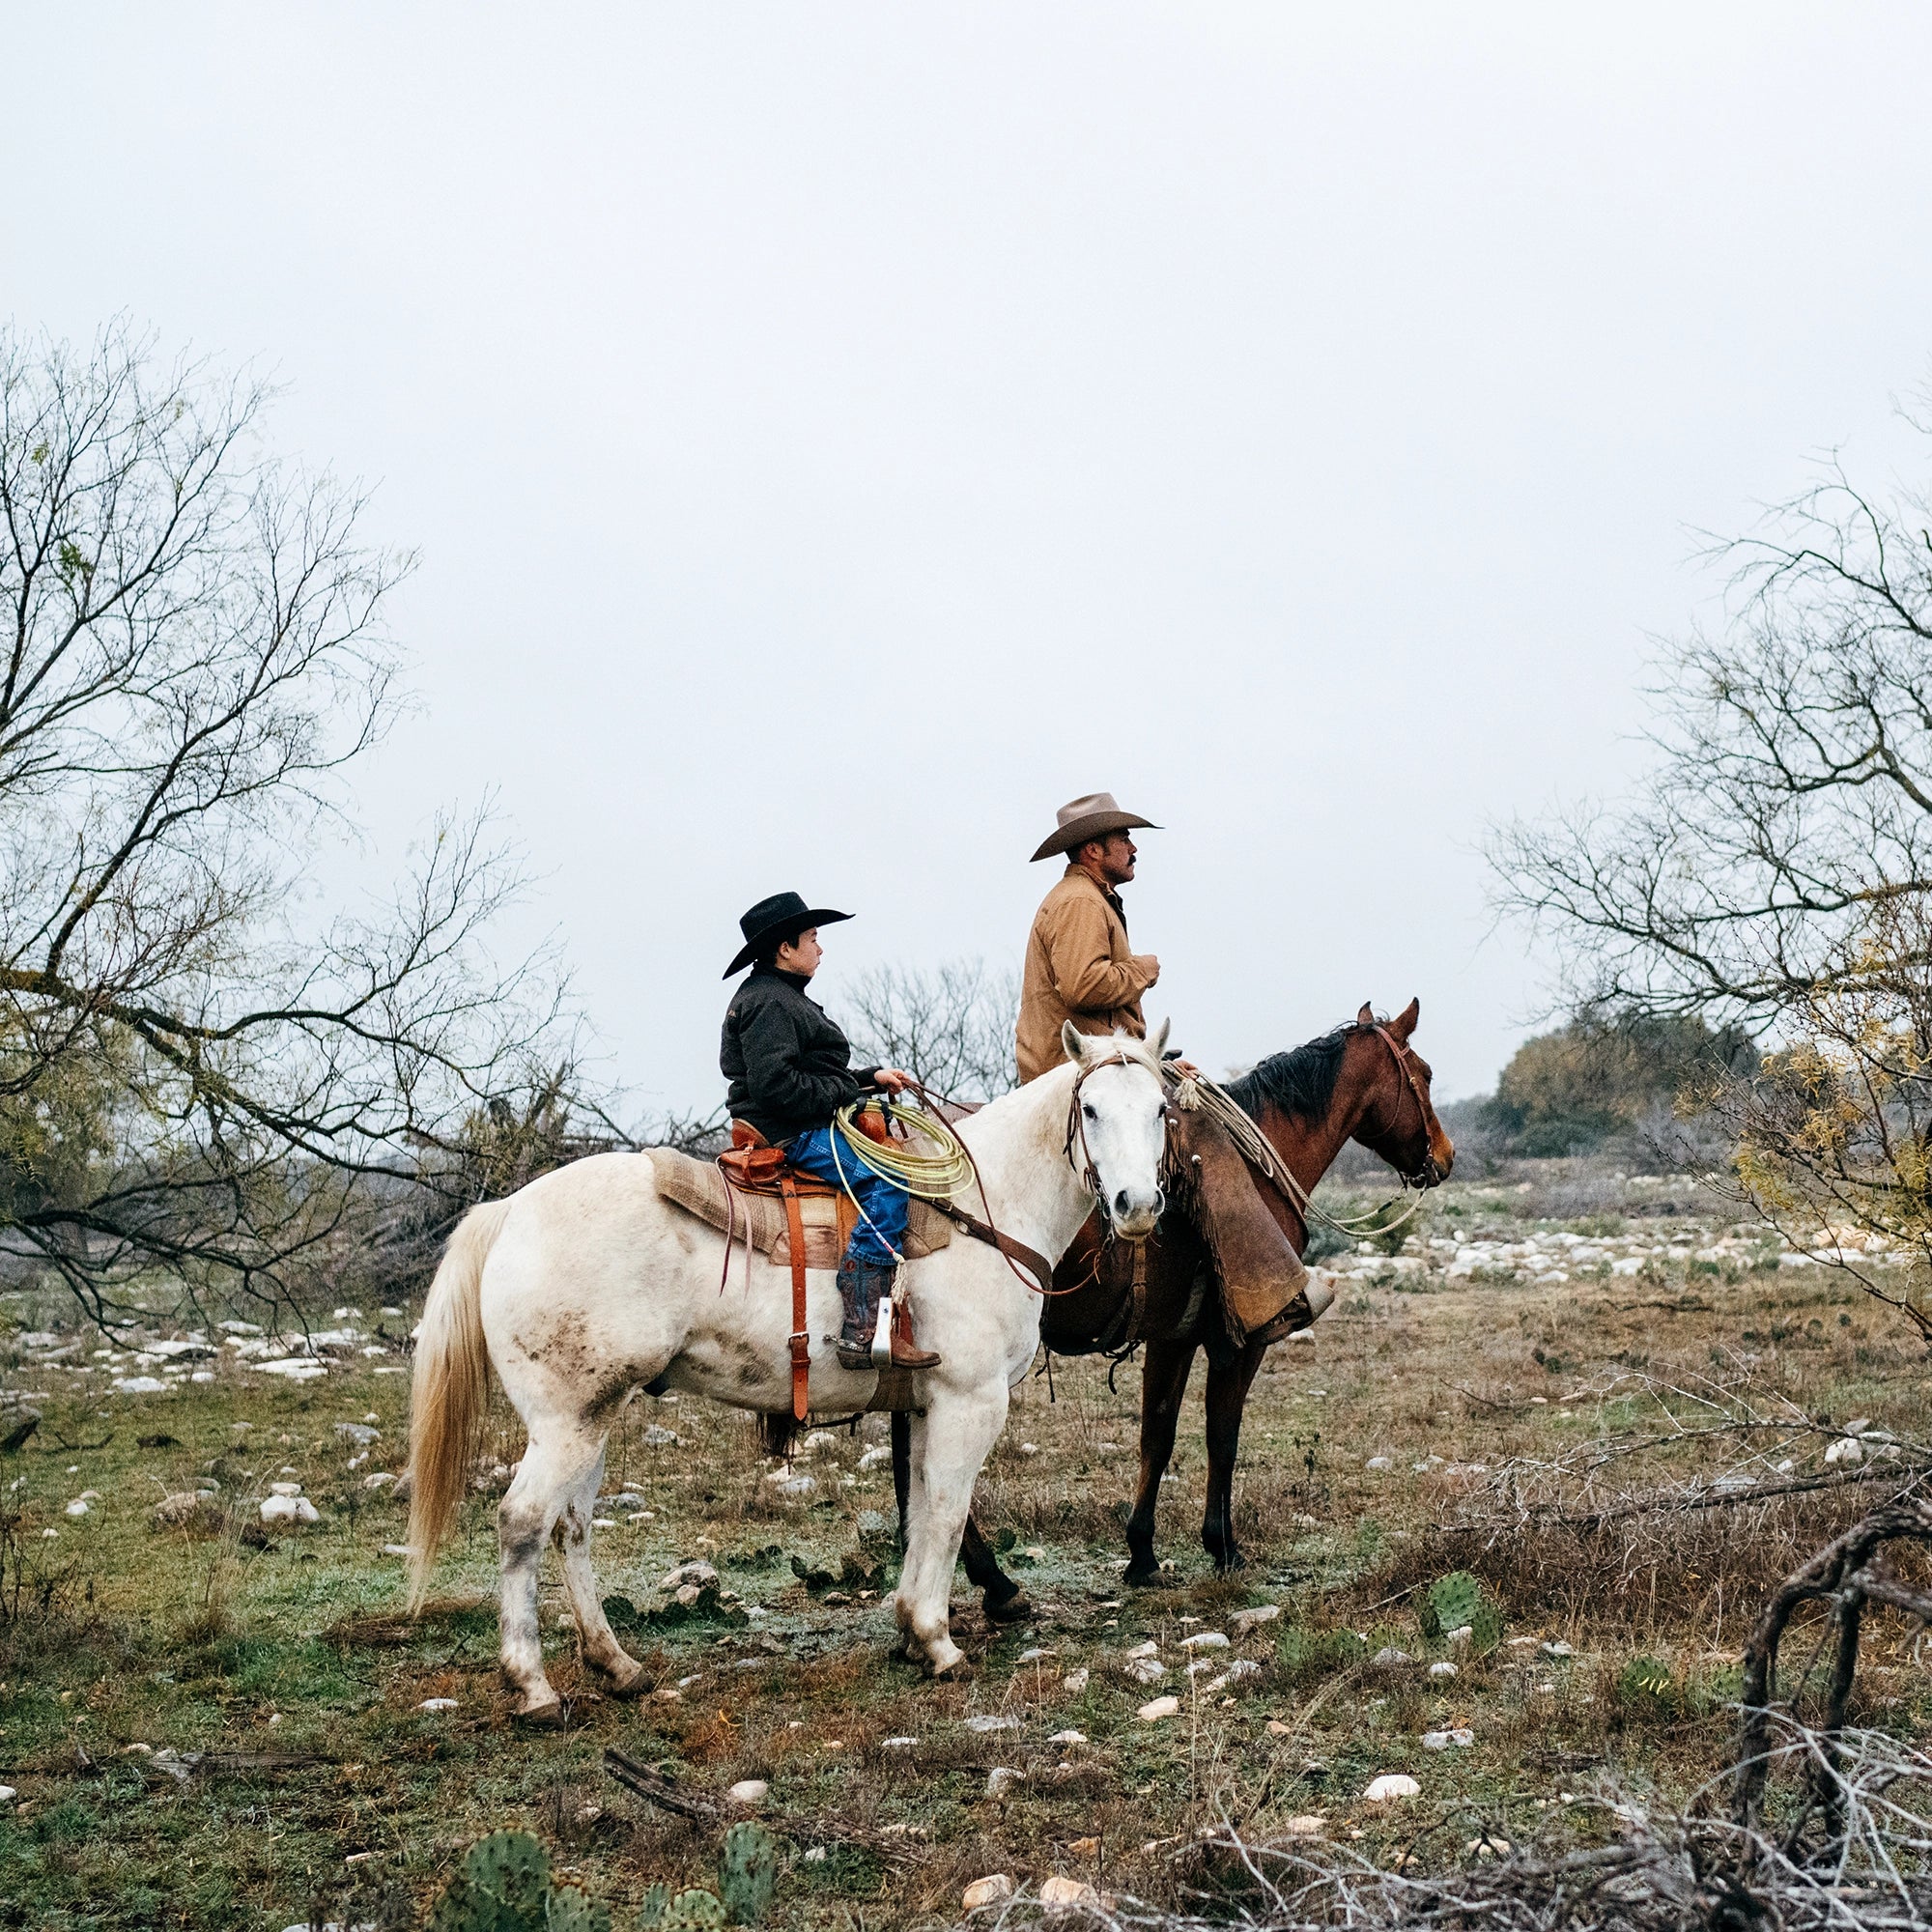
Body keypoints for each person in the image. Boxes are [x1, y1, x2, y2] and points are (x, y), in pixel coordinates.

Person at [1015, 795, 1310, 1348]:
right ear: (1093, 849)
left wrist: (1161, 1064)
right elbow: (1084, 986)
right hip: (1082, 1067)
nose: (1134, 847)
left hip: (1105, 1059)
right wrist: (1143, 970)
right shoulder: (1080, 902)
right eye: (1124, 838)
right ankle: (1260, 1293)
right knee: (1205, 1133)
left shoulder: (1085, 897)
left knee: (1193, 1094)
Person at [720, 891, 940, 1371]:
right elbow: (779, 1088)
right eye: (813, 938)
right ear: (785, 948)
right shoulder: (769, 1004)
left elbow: (810, 1073)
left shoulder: (778, 997)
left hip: (798, 1123)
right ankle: (862, 1328)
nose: (821, 949)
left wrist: (870, 1079)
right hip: (788, 1133)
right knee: (887, 1177)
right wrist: (850, 1097)